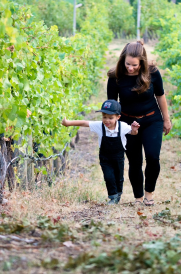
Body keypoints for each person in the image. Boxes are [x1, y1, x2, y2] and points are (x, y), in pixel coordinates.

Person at [107, 41, 171, 206]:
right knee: (134, 161)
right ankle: (138, 197)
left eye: (134, 65)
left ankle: (149, 193)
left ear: (142, 62)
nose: (130, 68)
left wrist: (166, 119)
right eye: (127, 64)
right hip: (127, 123)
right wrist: (114, 127)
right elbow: (112, 104)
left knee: (153, 157)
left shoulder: (153, 73)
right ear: (122, 60)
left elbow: (160, 96)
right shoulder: (115, 77)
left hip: (151, 120)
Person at [62, 100, 140, 205]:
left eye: (110, 118)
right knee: (108, 176)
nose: (107, 120)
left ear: (118, 117)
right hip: (105, 158)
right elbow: (84, 123)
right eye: (104, 117)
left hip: (118, 157)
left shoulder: (123, 126)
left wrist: (135, 129)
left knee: (118, 177)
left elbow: (134, 133)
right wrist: (68, 123)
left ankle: (118, 193)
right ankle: (112, 196)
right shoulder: (99, 126)